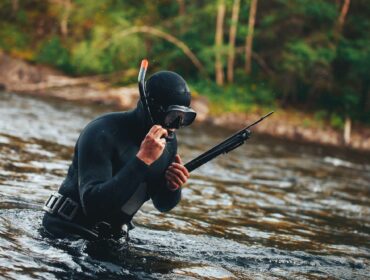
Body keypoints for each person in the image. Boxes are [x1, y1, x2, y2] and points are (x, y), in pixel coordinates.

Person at [42, 69, 196, 240]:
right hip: (65, 231)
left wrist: (172, 187)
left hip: (111, 239)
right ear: (150, 107)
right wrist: (143, 159)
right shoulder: (102, 132)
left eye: (185, 118)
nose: (176, 126)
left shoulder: (167, 144)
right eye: (173, 116)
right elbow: (93, 207)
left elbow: (163, 205)